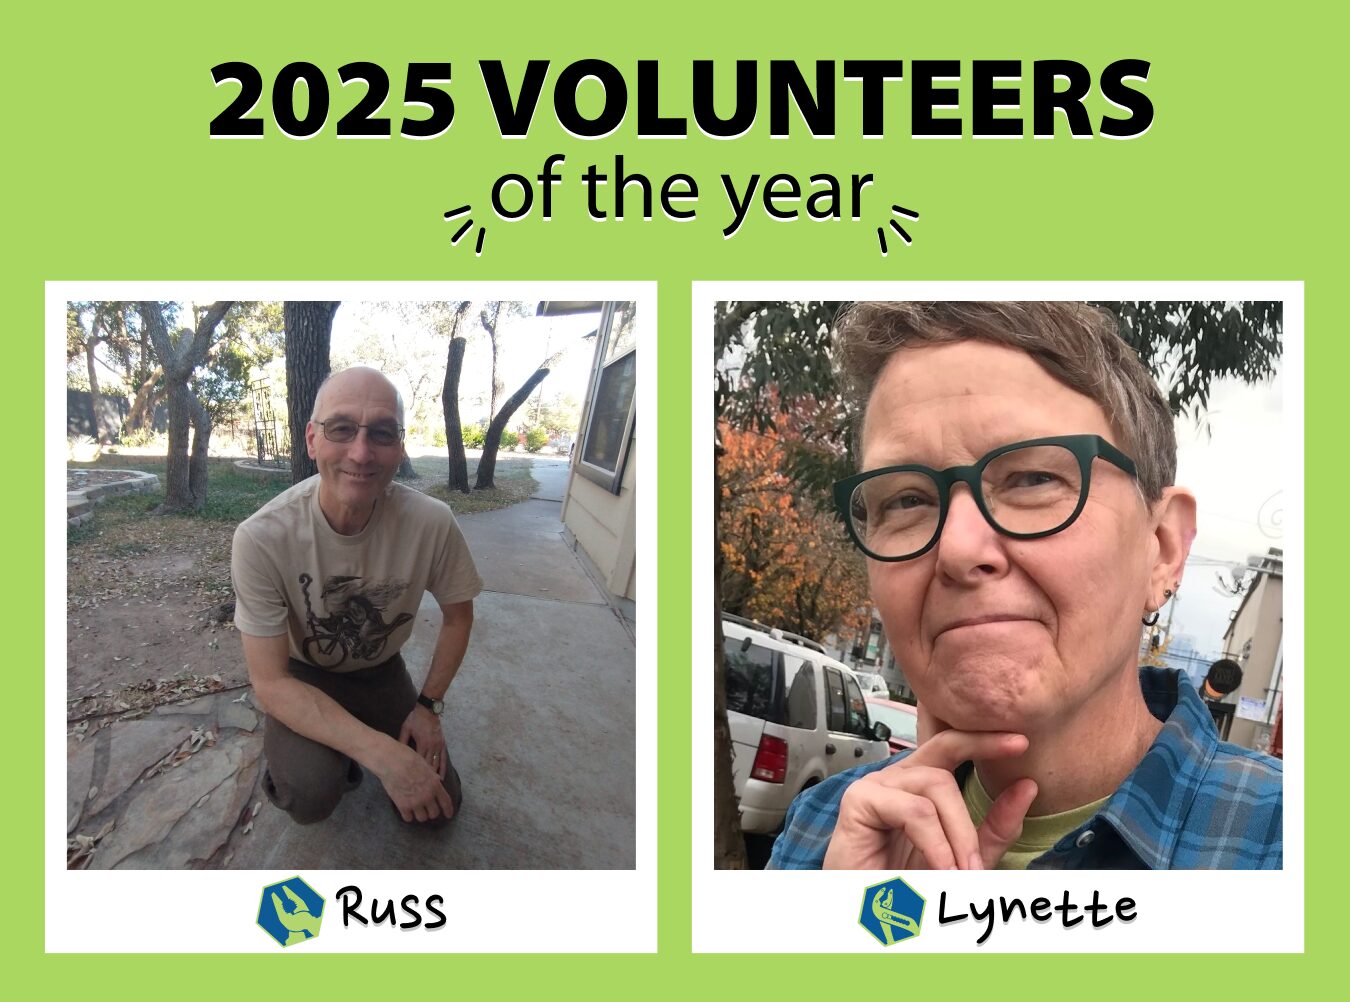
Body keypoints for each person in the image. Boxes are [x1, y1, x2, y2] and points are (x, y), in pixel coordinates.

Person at [768, 302, 1283, 870]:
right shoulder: (821, 832)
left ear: (1161, 548)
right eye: (907, 500)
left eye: (1033, 479)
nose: (959, 549)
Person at [231, 366, 482, 826]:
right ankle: (314, 754)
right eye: (341, 428)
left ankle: (343, 740)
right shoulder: (262, 537)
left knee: (437, 812)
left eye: (382, 433)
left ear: (400, 448)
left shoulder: (432, 523)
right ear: (312, 440)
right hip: (302, 676)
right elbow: (270, 682)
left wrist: (428, 707)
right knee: (309, 792)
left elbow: (458, 617)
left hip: (380, 670)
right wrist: (382, 755)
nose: (362, 453)